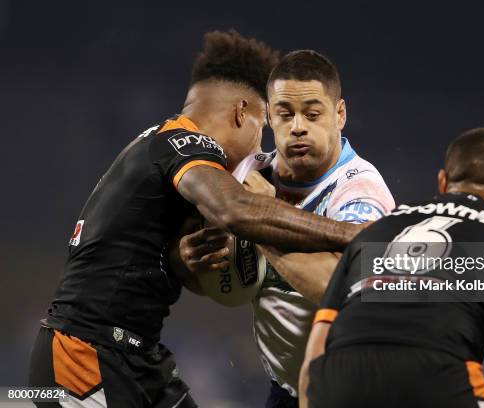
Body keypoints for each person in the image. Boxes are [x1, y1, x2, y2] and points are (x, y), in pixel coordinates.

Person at [28, 31, 363, 408]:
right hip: (82, 357)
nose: (259, 149)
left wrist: (177, 260)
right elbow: (235, 210)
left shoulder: (156, 147)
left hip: (137, 356)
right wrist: (352, 234)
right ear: (242, 113)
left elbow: (143, 255)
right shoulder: (184, 143)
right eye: (263, 126)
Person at [178, 50, 395, 407]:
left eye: (312, 114)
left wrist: (260, 221)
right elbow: (226, 281)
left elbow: (337, 287)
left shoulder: (359, 191)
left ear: (339, 114)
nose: (297, 126)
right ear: (268, 117)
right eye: (285, 114)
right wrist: (190, 262)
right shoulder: (250, 175)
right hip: (286, 391)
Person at [299, 128, 484, 408]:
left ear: (442, 181)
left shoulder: (376, 230)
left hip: (337, 385)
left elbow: (312, 362)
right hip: (439, 383)